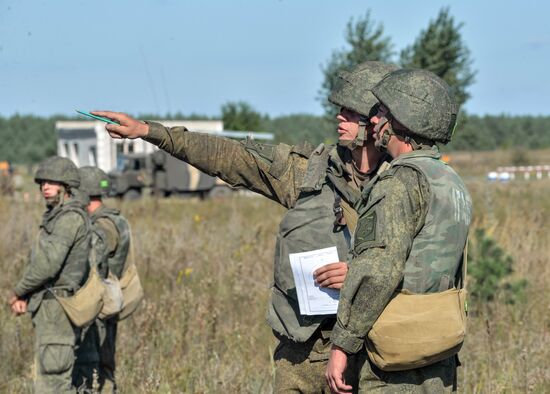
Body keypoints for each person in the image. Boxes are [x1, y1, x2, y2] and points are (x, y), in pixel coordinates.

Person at [93, 61, 397, 392]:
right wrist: (149, 132)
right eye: (339, 109)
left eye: (351, 111)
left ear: (378, 120)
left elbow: (428, 269)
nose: (340, 116)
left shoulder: (407, 183)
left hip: (375, 352)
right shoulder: (309, 172)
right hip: (305, 354)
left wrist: (359, 274)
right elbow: (231, 156)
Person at [326, 69, 473, 393]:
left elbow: (377, 271)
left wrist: (342, 345)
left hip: (396, 358)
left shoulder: (400, 182)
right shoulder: (450, 180)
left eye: (381, 112)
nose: (374, 120)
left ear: (401, 121)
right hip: (438, 349)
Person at [9, 156, 91, 393]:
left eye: (52, 182)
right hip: (52, 305)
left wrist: (18, 291)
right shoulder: (60, 217)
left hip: (58, 309)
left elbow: (47, 265)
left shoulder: (68, 219)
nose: (45, 187)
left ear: (66, 187)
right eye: (42, 182)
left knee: (52, 385)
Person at [74, 166, 132, 392]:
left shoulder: (101, 225)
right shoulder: (117, 219)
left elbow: (95, 262)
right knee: (106, 360)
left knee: (92, 363)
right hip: (112, 297)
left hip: (100, 301)